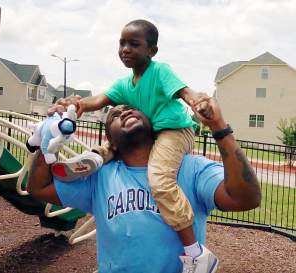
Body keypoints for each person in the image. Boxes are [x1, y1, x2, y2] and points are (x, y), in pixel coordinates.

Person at [27, 97, 261, 273]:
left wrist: (219, 127)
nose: (124, 110)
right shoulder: (100, 177)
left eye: (131, 108)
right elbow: (39, 188)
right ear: (111, 141)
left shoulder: (192, 168)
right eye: (114, 115)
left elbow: (245, 198)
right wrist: (49, 135)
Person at [49, 19, 210, 268]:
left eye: (134, 44)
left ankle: (196, 253)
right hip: (152, 133)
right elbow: (100, 100)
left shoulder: (160, 72)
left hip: (174, 131)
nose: (125, 49)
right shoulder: (125, 84)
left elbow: (184, 92)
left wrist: (196, 100)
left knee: (159, 179)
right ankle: (96, 157)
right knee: (117, 144)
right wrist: (77, 104)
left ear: (151, 51)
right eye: (122, 43)